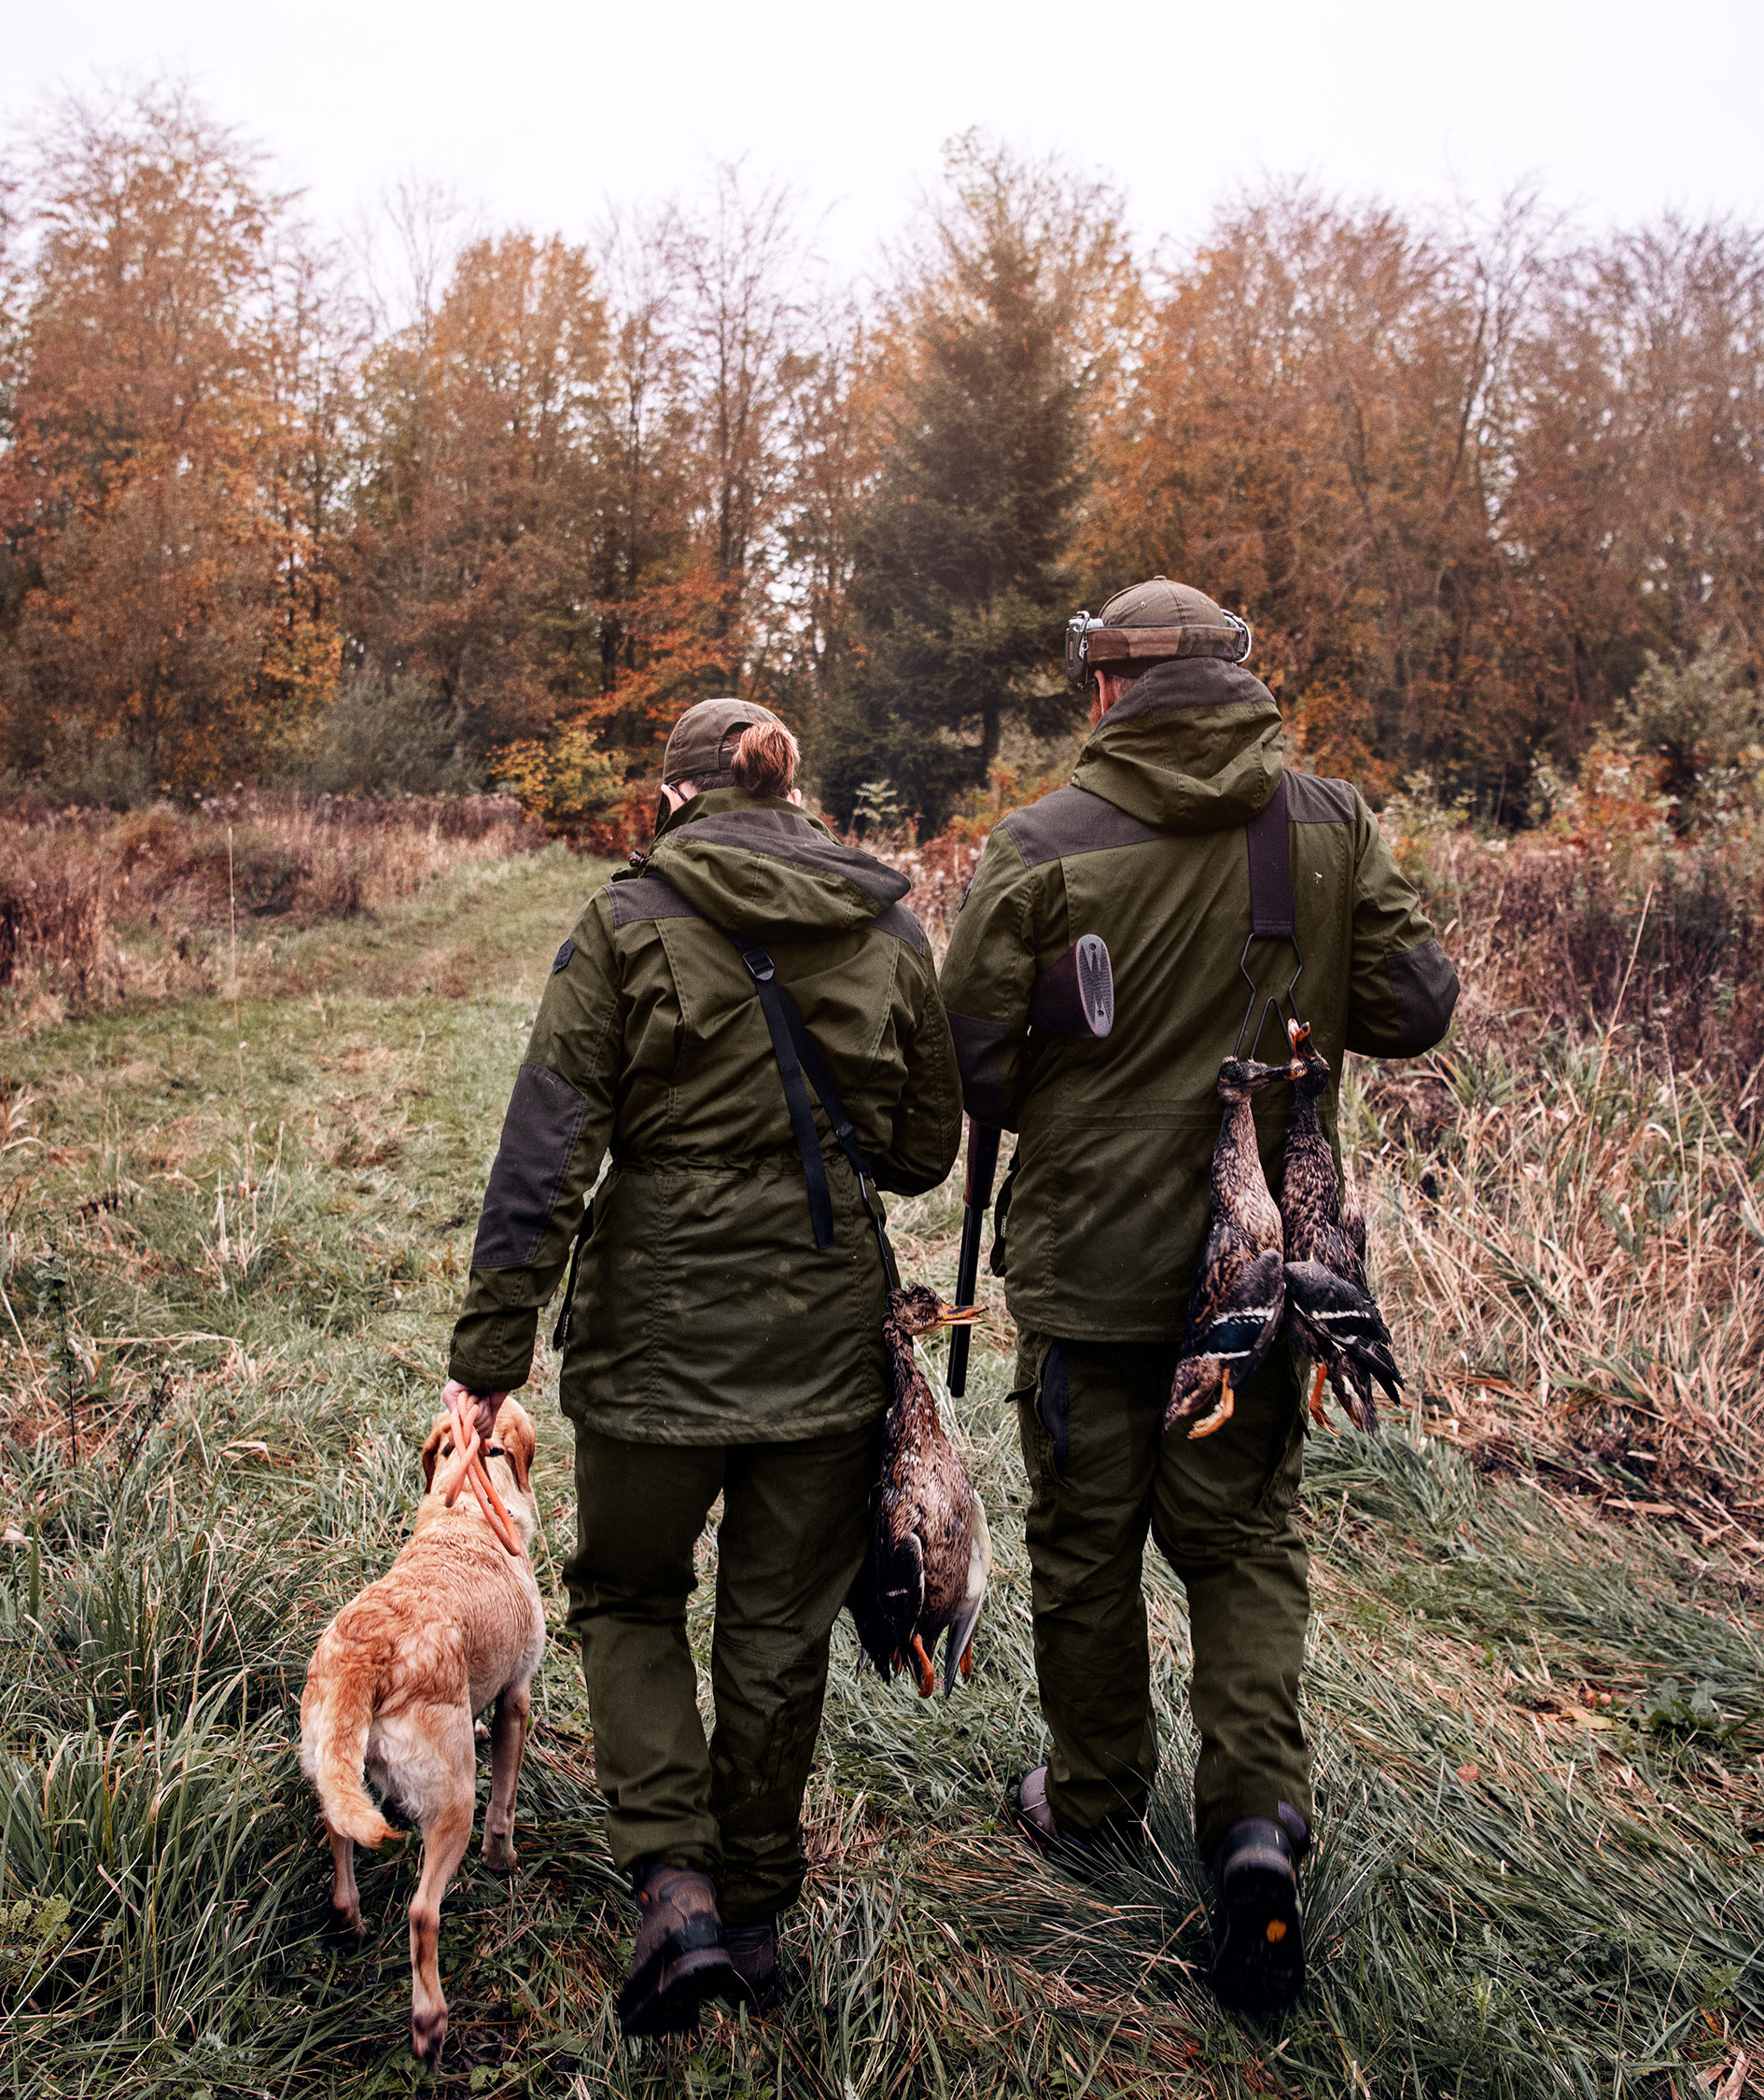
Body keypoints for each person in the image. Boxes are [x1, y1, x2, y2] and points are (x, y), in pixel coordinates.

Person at [936, 576, 1458, 2015]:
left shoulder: (1039, 843)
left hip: (1092, 1267)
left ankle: (1095, 1794)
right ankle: (1252, 1828)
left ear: (1106, 689)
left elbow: (963, 1068)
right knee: (1236, 1545)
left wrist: (1064, 1050)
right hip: (1260, 1271)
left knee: (1087, 1538)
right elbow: (1418, 1005)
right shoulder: (1329, 825)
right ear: (1234, 679)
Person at [443, 697, 960, 2033]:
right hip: (822, 1343)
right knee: (778, 1629)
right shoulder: (888, 924)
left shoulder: (624, 924)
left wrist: (488, 1358)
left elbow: (545, 1150)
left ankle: (672, 1888)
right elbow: (918, 1153)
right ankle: (759, 1909)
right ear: (791, 795)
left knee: (626, 1594)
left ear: (671, 798)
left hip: (649, 1343)